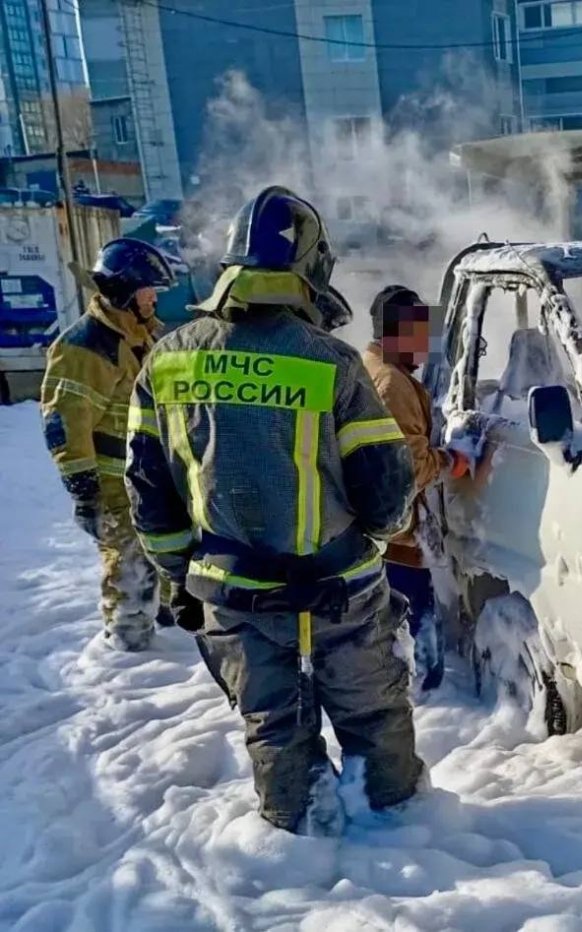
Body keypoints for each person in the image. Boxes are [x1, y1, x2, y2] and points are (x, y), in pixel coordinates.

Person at [124, 185, 423, 835]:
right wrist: (366, 543)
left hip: (232, 597)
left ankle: (304, 855)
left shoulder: (168, 361)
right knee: (375, 719)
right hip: (339, 592)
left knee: (276, 730)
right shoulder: (332, 361)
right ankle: (407, 846)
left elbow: (148, 492)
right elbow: (387, 491)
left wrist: (185, 568)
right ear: (309, 268)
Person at [41, 238, 176, 651]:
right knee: (129, 565)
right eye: (147, 288)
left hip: (153, 475)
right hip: (115, 482)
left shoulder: (144, 336)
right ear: (123, 291)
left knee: (165, 555)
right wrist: (84, 491)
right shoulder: (85, 346)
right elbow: (64, 423)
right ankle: (129, 643)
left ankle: (169, 628)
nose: (154, 296)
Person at [361, 285, 465, 690]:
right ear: (397, 334)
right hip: (398, 536)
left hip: (376, 532)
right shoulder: (394, 385)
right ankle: (429, 695)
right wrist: (451, 460)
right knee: (417, 620)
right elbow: (409, 468)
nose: (427, 344)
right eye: (420, 333)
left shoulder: (372, 367)